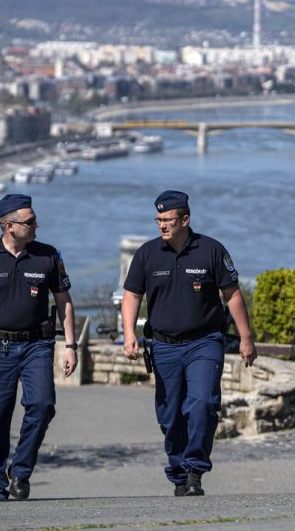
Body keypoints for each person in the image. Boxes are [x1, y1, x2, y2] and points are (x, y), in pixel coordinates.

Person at [121, 190, 257, 496]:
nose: (162, 226)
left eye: (168, 220)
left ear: (185, 219)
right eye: (158, 220)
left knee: (202, 404)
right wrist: (129, 332)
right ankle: (179, 471)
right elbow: (131, 295)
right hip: (164, 346)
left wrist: (246, 337)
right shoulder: (147, 254)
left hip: (204, 342)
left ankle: (195, 469)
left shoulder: (211, 250)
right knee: (170, 417)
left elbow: (232, 294)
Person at [0, 193, 78, 502]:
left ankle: (20, 471)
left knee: (43, 405)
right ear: (9, 226)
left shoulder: (48, 256)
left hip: (37, 345)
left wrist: (71, 345)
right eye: (30, 221)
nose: (36, 225)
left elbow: (64, 302)